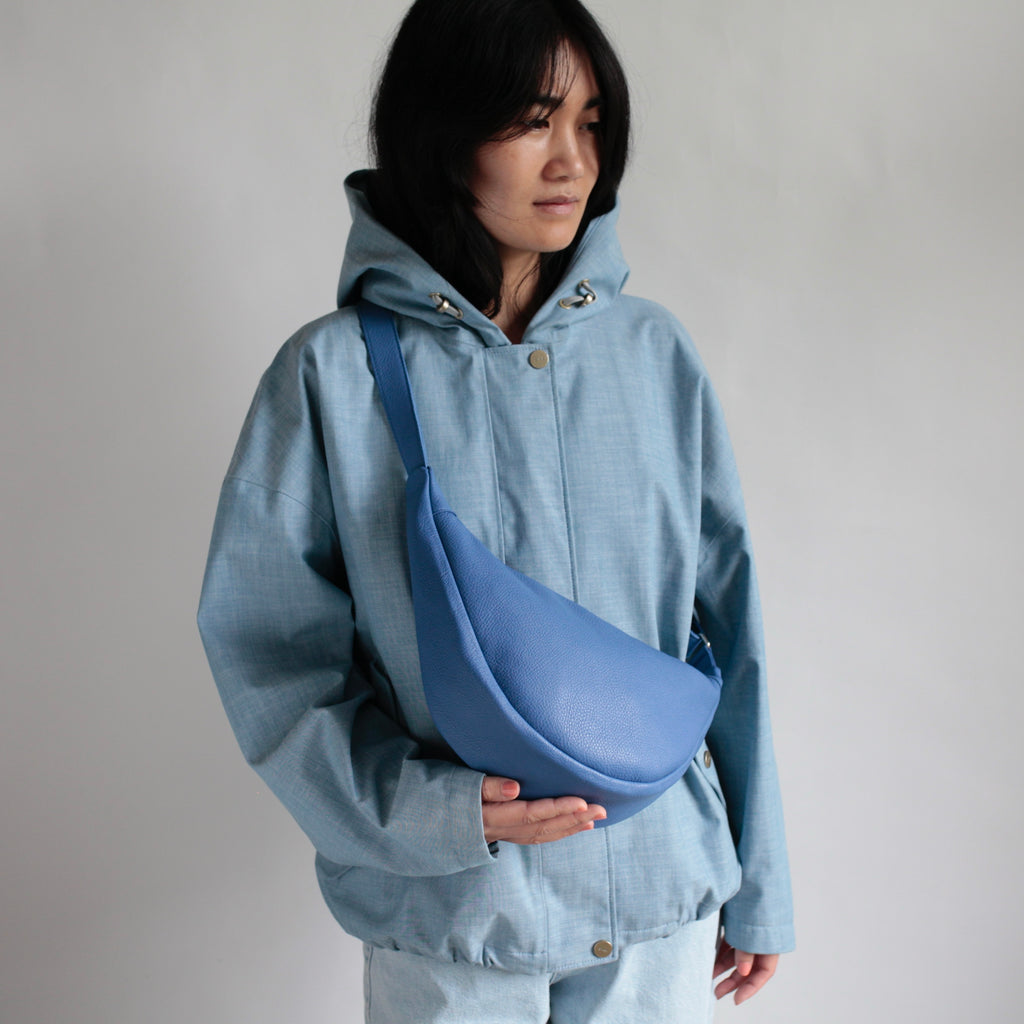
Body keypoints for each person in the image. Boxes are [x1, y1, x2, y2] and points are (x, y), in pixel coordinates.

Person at [197, 0, 794, 1020]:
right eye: (531, 121)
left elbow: (730, 632)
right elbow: (272, 661)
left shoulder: (654, 356)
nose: (573, 162)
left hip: (659, 912)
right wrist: (439, 811)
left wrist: (761, 883)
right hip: (457, 924)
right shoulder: (331, 378)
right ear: (442, 134)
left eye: (591, 123)